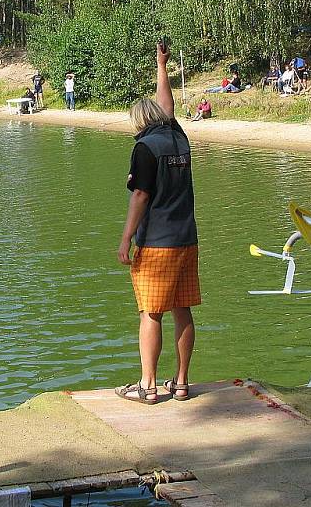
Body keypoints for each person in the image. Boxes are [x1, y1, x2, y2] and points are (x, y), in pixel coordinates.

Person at [116, 41, 200, 405]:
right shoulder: (177, 136)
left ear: (139, 122)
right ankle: (180, 383)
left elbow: (140, 196)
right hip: (187, 239)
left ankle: (148, 386)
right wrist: (161, 66)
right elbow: (167, 105)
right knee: (183, 309)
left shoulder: (145, 148)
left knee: (150, 312)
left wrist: (126, 239)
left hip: (158, 243)